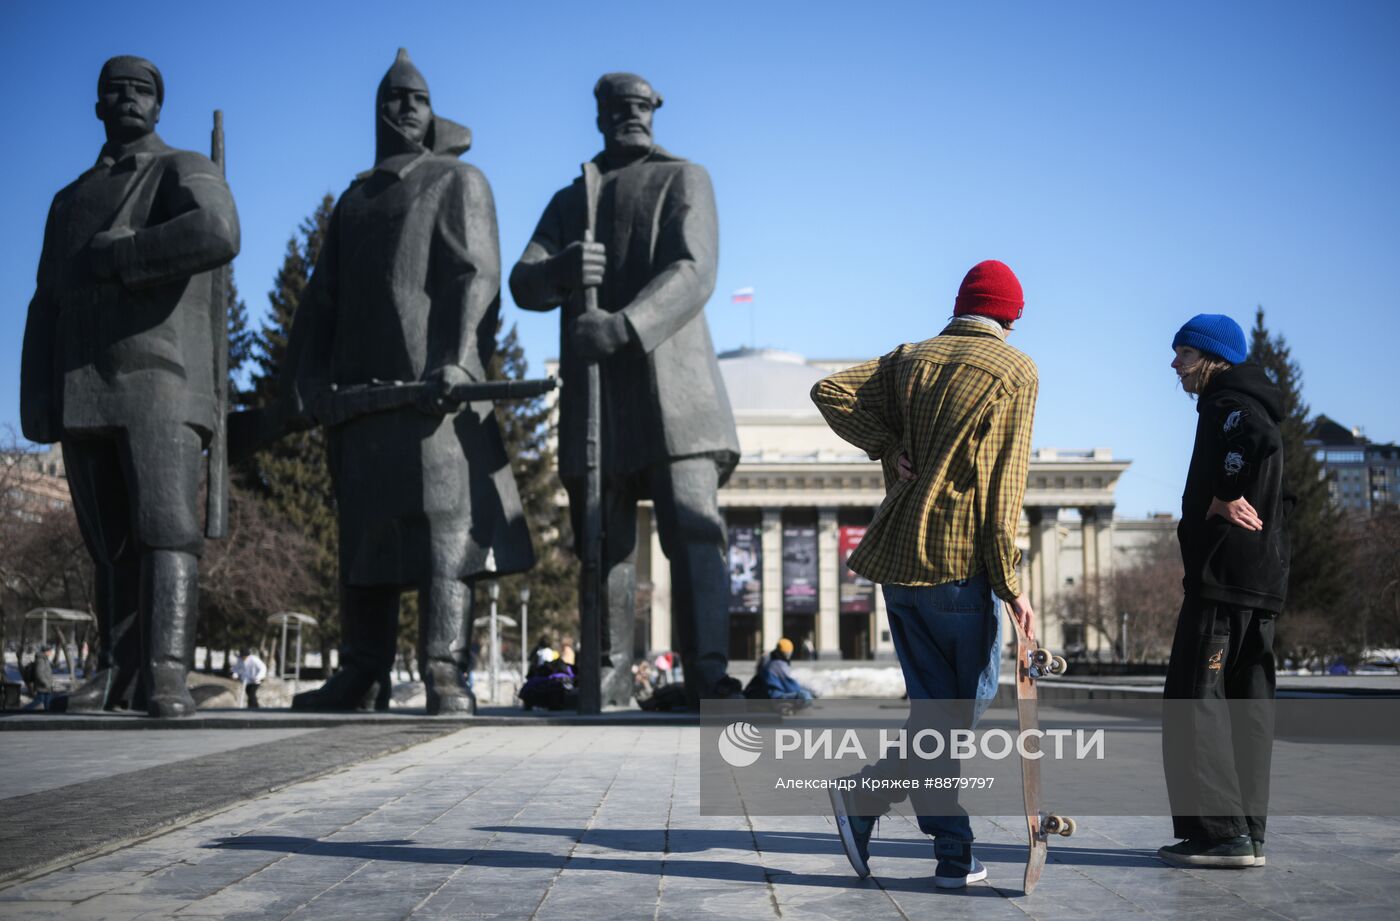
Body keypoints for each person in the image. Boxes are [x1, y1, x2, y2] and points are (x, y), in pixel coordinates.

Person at [281, 50, 534, 715]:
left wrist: (454, 359)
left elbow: (473, 274)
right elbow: (322, 299)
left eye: (417, 98)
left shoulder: (458, 181)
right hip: (360, 402)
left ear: (431, 113)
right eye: (393, 98)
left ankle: (444, 669)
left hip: (434, 395)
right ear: (377, 111)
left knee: (446, 533)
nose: (404, 108)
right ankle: (362, 671)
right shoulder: (354, 202)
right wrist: (305, 377)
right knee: (364, 539)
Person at [509, 72, 740, 709]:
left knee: (694, 534)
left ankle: (706, 676)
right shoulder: (571, 200)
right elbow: (524, 282)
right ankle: (606, 675)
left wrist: (622, 326)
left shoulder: (683, 179)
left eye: (640, 107)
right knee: (601, 542)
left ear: (654, 112)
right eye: (617, 108)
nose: (629, 116)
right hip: (599, 401)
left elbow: (694, 270)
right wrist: (560, 269)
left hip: (676, 396)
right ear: (600, 116)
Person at [20, 56, 240, 717]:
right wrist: (37, 397)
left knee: (165, 526)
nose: (127, 98)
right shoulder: (69, 200)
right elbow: (44, 301)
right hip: (82, 383)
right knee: (108, 538)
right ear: (96, 105)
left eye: (141, 89)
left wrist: (126, 255)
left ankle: (164, 673)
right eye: (114, 89)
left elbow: (218, 229)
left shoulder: (179, 169)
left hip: (160, 379)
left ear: (158, 105)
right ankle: (116, 671)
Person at [811, 260, 1039, 888]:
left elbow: (829, 390)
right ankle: (868, 800)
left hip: (900, 566)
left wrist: (886, 443)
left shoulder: (909, 356)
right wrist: (1011, 586)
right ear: (1010, 315)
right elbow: (1003, 490)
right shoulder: (1014, 370)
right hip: (957, 566)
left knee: (934, 716)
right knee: (959, 714)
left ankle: (952, 853)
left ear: (962, 304)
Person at [1159, 314, 1290, 869]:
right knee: (1247, 706)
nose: (1175, 365)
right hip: (1261, 585)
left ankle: (1219, 834)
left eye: (1183, 354)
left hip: (1223, 581)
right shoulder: (1252, 398)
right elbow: (1263, 436)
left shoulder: (1226, 401)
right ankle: (1247, 833)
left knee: (1194, 700)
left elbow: (1253, 440)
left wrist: (1221, 494)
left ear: (1211, 357)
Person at [31, 646, 55, 711]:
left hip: (46, 687)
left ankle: (46, 716)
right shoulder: (41, 660)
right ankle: (24, 711)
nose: (51, 652)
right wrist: (46, 683)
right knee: (39, 702)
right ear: (46, 652)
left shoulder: (45, 659)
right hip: (42, 686)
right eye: (50, 651)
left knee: (47, 703)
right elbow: (39, 673)